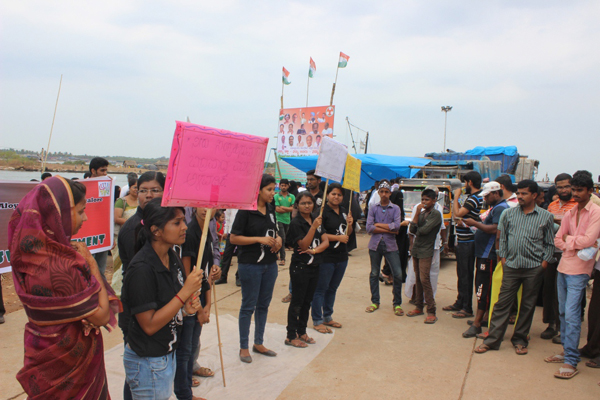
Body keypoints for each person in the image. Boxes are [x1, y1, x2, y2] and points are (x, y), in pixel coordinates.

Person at [8, 176, 120, 399]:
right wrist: (90, 264)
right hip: (70, 361)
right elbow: (101, 316)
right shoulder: (62, 265)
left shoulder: (29, 253)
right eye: (80, 211)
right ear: (59, 214)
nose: (85, 218)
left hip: (41, 348)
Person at [121, 198, 204, 400]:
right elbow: (149, 325)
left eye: (184, 220)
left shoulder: (172, 255)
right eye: (176, 223)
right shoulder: (142, 269)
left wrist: (186, 309)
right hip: (148, 361)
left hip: (166, 354)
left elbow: (169, 306)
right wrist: (185, 292)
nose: (185, 227)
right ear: (156, 231)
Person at [475, 180, 555, 355]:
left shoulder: (545, 217)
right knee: (502, 304)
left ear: (534, 195)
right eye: (518, 193)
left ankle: (519, 339)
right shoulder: (508, 214)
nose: (519, 196)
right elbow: (501, 239)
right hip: (511, 266)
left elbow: (549, 243)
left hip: (534, 268)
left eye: (524, 193)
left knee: (527, 305)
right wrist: (502, 258)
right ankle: (492, 340)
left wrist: (544, 263)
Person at [545, 172, 600, 379]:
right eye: (574, 189)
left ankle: (571, 361)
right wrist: (574, 243)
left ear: (590, 191)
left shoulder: (595, 212)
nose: (575, 194)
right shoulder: (570, 212)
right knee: (562, 313)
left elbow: (590, 239)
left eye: (579, 190)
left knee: (572, 314)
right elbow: (558, 239)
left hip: (580, 270)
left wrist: (570, 241)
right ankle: (568, 351)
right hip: (564, 266)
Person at [117, 171, 165, 400]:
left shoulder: (164, 222)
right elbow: (137, 276)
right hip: (139, 311)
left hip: (159, 309)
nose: (148, 195)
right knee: (137, 369)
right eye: (143, 190)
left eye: (154, 190)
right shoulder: (133, 229)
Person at [230, 174, 282, 363]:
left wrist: (278, 240)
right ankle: (244, 347)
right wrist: (258, 239)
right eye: (269, 189)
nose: (272, 193)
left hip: (270, 264)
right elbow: (234, 238)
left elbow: (275, 230)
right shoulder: (245, 210)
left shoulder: (270, 208)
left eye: (273, 189)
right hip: (250, 265)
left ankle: (258, 342)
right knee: (248, 306)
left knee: (263, 305)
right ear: (258, 191)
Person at [178, 207, 222, 398]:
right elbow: (188, 276)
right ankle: (184, 386)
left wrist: (208, 304)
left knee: (194, 341)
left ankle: (188, 378)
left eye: (210, 207)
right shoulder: (190, 232)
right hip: (190, 301)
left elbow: (206, 274)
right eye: (201, 206)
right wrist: (198, 308)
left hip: (201, 297)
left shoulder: (208, 231)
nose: (206, 210)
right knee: (185, 346)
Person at [462, 182, 509, 337]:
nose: (486, 199)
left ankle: (477, 323)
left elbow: (495, 229)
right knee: (483, 287)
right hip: (484, 253)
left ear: (496, 193)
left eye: (488, 196)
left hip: (488, 255)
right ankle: (483, 318)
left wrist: (475, 223)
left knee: (483, 289)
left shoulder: (501, 208)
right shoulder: (496, 208)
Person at [285, 192, 329, 347]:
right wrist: (313, 228)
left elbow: (326, 241)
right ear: (297, 205)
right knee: (297, 301)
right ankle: (291, 335)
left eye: (309, 203)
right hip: (300, 267)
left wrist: (316, 251)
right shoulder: (296, 223)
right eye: (303, 203)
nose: (306, 206)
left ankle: (302, 331)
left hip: (314, 266)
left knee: (307, 301)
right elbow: (303, 245)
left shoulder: (316, 220)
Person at [312, 183, 353, 334]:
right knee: (320, 289)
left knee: (332, 288)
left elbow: (347, 234)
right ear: (327, 195)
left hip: (341, 257)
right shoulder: (321, 212)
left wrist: (350, 224)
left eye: (339, 195)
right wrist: (337, 238)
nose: (336, 197)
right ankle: (317, 320)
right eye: (333, 194)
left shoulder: (344, 211)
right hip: (326, 257)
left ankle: (327, 316)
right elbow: (318, 234)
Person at [543, 173, 577, 342]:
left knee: (564, 292)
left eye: (566, 186)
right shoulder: (552, 205)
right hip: (552, 252)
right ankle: (550, 324)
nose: (563, 190)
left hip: (570, 254)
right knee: (549, 290)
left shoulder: (577, 205)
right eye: (560, 187)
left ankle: (562, 327)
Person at [444, 171, 483, 318]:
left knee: (465, 274)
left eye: (465, 183)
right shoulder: (473, 198)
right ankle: (460, 302)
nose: (464, 186)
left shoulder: (474, 198)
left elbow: (458, 214)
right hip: (463, 240)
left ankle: (466, 307)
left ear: (470, 183)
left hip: (468, 242)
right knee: (461, 273)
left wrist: (455, 198)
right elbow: (458, 214)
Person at [365, 181, 404, 316]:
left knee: (398, 274)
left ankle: (397, 303)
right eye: (381, 191)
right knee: (374, 273)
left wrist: (378, 225)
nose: (384, 194)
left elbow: (397, 226)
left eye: (386, 192)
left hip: (390, 245)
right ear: (378, 193)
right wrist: (389, 228)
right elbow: (369, 227)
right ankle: (375, 301)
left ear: (390, 193)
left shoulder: (395, 208)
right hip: (375, 245)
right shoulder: (373, 208)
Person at [404, 185, 447, 301]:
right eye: (423, 199)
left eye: (428, 199)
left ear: (434, 199)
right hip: (419, 247)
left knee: (428, 276)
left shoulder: (437, 211)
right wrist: (412, 244)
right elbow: (411, 230)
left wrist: (445, 242)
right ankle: (416, 298)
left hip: (432, 246)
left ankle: (428, 301)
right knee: (415, 275)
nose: (424, 202)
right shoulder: (418, 209)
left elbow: (425, 230)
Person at [113, 174, 139, 274]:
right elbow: (116, 218)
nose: (136, 190)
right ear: (129, 187)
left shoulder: (141, 201)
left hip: (137, 236)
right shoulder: (122, 201)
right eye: (134, 187)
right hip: (124, 236)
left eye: (139, 188)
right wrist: (134, 223)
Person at [89, 156, 110, 276]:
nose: (105, 173)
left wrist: (110, 236)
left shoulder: (107, 186)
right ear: (93, 171)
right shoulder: (82, 187)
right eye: (102, 170)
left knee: (101, 271)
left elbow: (108, 212)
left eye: (106, 170)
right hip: (88, 236)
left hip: (102, 235)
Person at [215, 208, 239, 285]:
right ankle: (223, 277)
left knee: (240, 256)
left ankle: (239, 277)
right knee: (227, 255)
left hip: (241, 233)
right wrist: (225, 231)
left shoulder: (243, 205)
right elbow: (227, 219)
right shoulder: (231, 206)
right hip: (231, 233)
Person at [275, 179, 295, 267]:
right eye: (282, 185)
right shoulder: (276, 196)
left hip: (287, 220)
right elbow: (277, 209)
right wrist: (288, 208)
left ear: (288, 186)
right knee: (282, 239)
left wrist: (283, 207)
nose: (283, 187)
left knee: (283, 238)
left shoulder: (292, 196)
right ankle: (283, 259)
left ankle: (276, 253)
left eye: (285, 185)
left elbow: (293, 209)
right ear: (280, 186)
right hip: (278, 220)